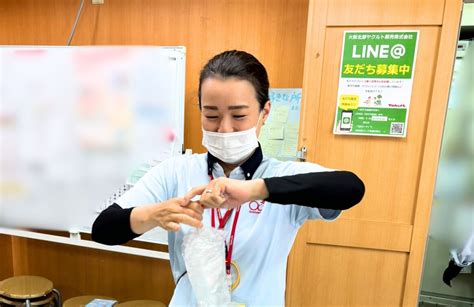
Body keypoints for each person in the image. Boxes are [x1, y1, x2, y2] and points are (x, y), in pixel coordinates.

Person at [92, 50, 365, 306]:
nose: (224, 128)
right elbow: (103, 229)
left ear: (264, 112)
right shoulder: (175, 171)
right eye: (211, 115)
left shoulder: (282, 177)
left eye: (239, 115)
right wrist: (154, 214)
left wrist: (256, 190)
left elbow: (351, 187)